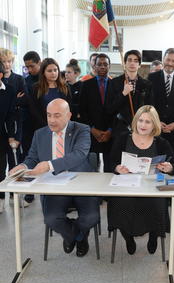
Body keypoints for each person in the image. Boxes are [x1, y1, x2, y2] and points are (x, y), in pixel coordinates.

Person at [10, 99, 100, 257]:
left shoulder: (82, 130)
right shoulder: (40, 134)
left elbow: (79, 154)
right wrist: (23, 166)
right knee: (51, 219)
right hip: (54, 185)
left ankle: (75, 234)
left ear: (69, 115)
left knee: (91, 217)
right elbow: (32, 158)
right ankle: (77, 235)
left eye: (57, 115)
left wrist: (49, 165)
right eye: (49, 115)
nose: (52, 120)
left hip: (82, 183)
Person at [108, 105, 174, 255]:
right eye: (140, 120)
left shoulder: (161, 143)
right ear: (135, 121)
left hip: (151, 188)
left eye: (148, 122)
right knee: (119, 203)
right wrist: (116, 168)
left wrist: (169, 167)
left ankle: (153, 236)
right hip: (126, 186)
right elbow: (109, 163)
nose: (143, 125)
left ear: (155, 124)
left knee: (157, 203)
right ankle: (128, 238)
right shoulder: (122, 138)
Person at [107, 49, 153, 135]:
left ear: (139, 65)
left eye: (136, 61)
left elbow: (150, 108)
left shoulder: (147, 84)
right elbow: (110, 108)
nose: (132, 63)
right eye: (129, 60)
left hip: (141, 128)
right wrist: (123, 93)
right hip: (120, 129)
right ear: (124, 63)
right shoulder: (114, 82)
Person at [80, 53, 113, 172]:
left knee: (110, 169)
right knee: (92, 169)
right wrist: (92, 129)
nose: (102, 67)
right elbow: (82, 110)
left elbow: (118, 111)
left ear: (110, 66)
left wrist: (110, 131)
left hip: (110, 134)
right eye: (99, 64)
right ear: (94, 66)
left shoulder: (116, 85)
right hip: (91, 132)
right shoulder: (86, 85)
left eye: (105, 64)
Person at [28, 58, 72, 131]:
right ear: (43, 72)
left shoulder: (65, 87)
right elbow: (34, 110)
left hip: (63, 127)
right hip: (43, 127)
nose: (53, 73)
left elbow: (69, 107)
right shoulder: (36, 88)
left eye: (55, 70)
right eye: (49, 71)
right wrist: (47, 126)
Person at [22, 51, 42, 205]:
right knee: (30, 156)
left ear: (39, 62)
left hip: (46, 123)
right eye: (27, 67)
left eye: (32, 66)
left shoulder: (48, 77)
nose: (29, 70)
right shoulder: (26, 81)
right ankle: (29, 191)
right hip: (30, 125)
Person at [0, 62, 17, 213]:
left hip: (1, 135)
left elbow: (11, 116)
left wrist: (12, 136)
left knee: (0, 168)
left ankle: (0, 200)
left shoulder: (9, 91)